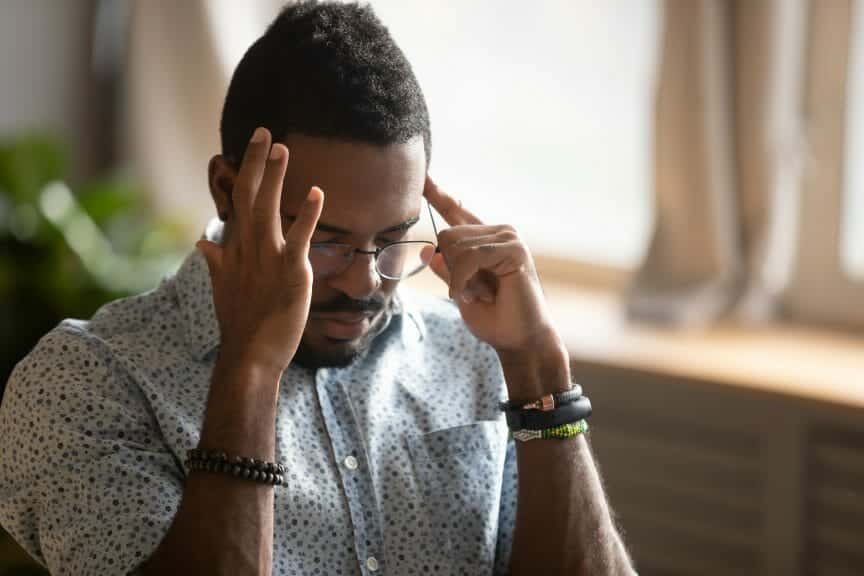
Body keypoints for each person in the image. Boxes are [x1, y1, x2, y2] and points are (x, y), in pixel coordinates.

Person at [0, 2, 634, 575]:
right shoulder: (83, 381)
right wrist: (249, 367)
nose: (365, 281)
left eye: (393, 238)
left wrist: (538, 368)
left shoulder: (476, 356)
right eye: (323, 238)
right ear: (229, 192)